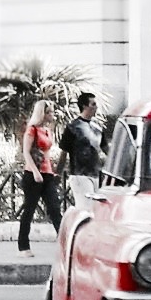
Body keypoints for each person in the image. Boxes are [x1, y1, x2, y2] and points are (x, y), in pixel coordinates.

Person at [16, 98, 62, 256]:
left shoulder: (48, 131)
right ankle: (23, 247)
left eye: (52, 112)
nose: (51, 115)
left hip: (47, 174)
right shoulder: (32, 130)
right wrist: (35, 172)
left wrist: (52, 171)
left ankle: (64, 244)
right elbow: (26, 152)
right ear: (42, 113)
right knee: (29, 209)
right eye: (48, 112)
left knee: (55, 208)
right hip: (32, 175)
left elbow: (47, 154)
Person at [60, 92, 104, 207]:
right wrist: (58, 173)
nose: (96, 107)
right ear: (84, 106)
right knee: (85, 208)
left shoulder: (97, 128)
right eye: (93, 104)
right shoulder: (72, 127)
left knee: (95, 209)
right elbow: (64, 152)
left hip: (95, 174)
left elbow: (106, 149)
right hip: (79, 174)